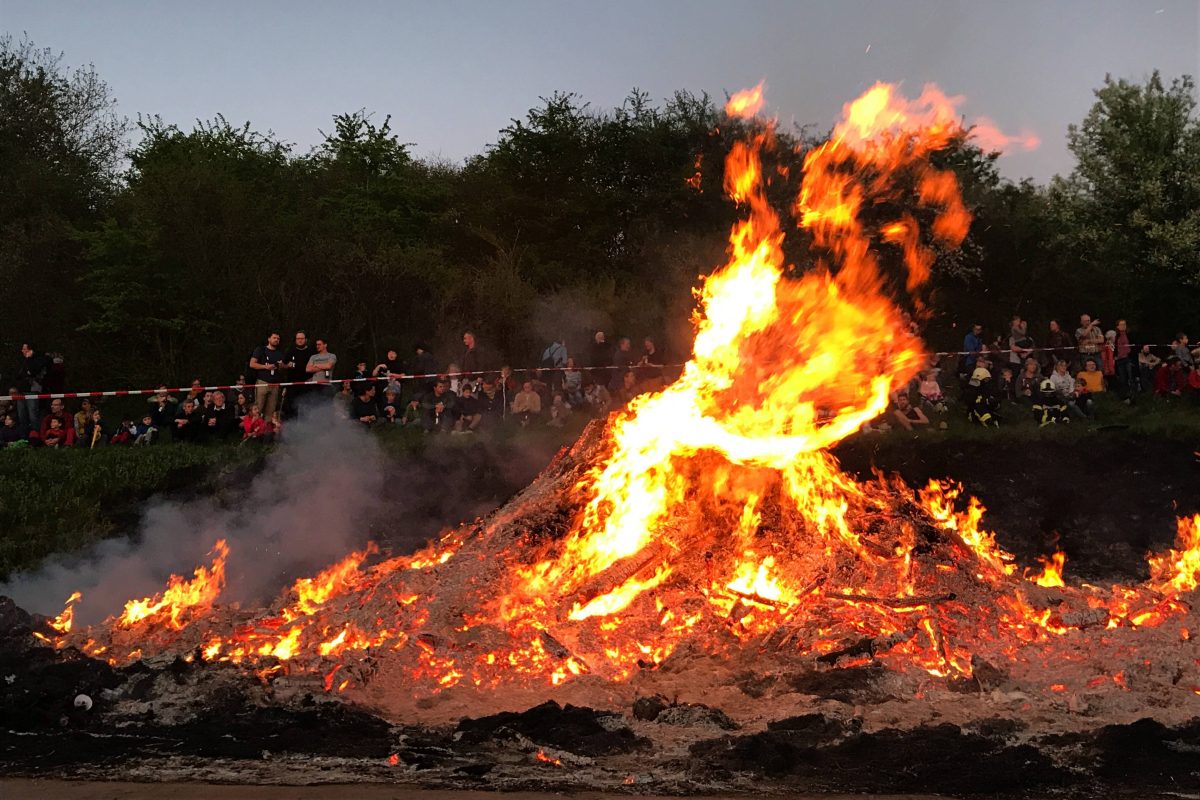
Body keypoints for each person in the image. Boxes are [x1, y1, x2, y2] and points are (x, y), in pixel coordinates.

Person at [13, 343, 48, 434]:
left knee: (33, 415)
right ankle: (23, 437)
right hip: (21, 390)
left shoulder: (38, 360)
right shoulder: (22, 360)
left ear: (30, 350)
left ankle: (35, 436)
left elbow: (32, 371)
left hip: (32, 390)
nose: (22, 351)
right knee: (21, 415)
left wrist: (29, 359)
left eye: (25, 349)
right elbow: (18, 374)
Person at [249, 332, 284, 421]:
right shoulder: (260, 350)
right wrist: (265, 366)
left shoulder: (280, 353)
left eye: (278, 339)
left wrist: (283, 365)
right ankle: (254, 432)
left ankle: (266, 433)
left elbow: (282, 368)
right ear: (269, 339)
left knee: (270, 411)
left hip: (275, 384)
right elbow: (252, 364)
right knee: (258, 408)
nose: (276, 340)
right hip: (262, 382)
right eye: (274, 338)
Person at [282, 330, 313, 416]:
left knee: (305, 406)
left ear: (305, 339)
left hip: (306, 384)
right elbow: (282, 364)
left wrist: (312, 377)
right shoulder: (290, 350)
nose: (300, 340)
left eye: (302, 338)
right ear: (295, 340)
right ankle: (292, 427)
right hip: (292, 384)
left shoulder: (311, 351)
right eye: (298, 338)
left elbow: (315, 366)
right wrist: (287, 365)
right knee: (292, 407)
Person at [1113, 320, 1137, 400]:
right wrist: (1115, 356)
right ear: (1117, 327)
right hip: (1120, 360)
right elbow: (1116, 348)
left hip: (1128, 359)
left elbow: (1134, 346)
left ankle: (1133, 395)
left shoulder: (1130, 335)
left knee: (1131, 377)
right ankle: (1126, 396)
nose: (1123, 326)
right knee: (1123, 379)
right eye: (1121, 324)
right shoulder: (1116, 336)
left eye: (1124, 324)